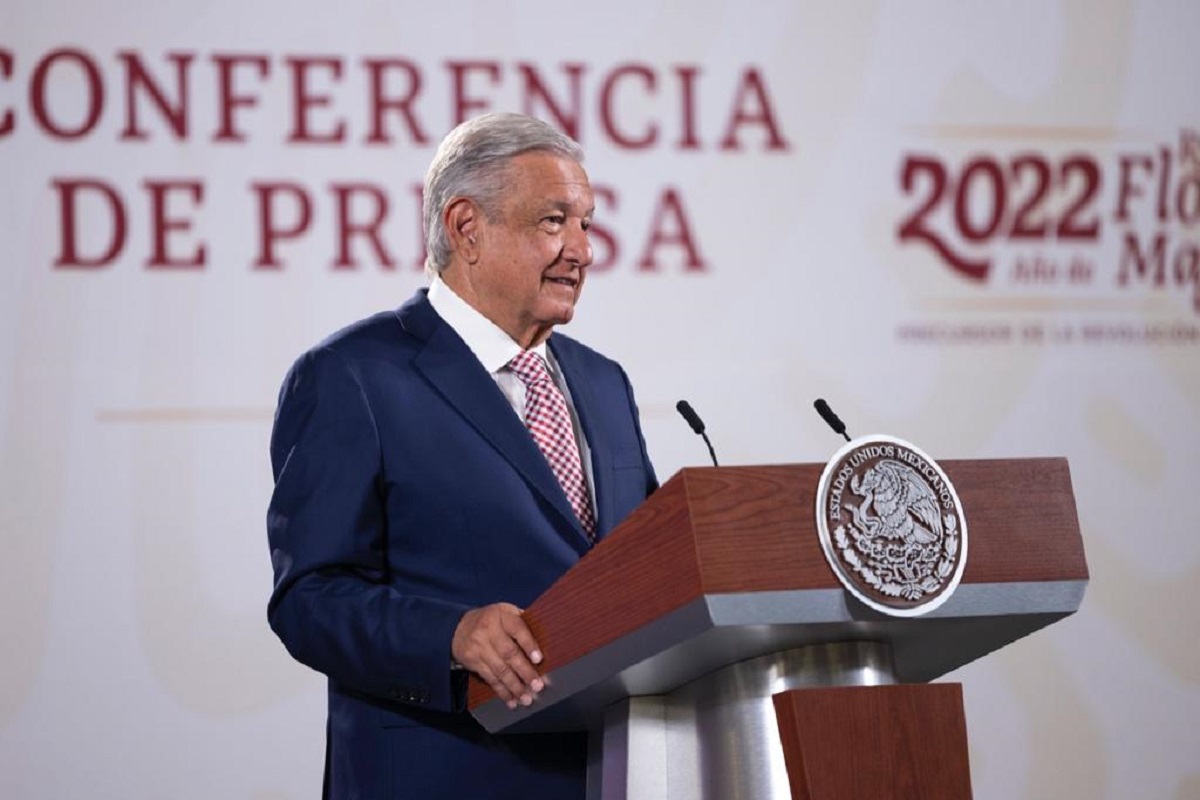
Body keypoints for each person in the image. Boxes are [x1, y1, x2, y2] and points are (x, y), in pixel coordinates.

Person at [266, 112, 658, 800]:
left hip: (614, 775)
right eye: (553, 221)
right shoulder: (353, 376)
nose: (583, 250)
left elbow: (643, 566)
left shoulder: (604, 382)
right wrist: (451, 635)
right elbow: (310, 599)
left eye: (587, 223)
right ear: (466, 228)